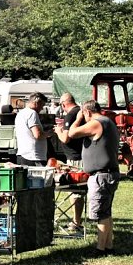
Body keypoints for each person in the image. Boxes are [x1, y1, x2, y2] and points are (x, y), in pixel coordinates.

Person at [67, 99, 120, 257]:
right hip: (108, 173)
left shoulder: (97, 123)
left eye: (84, 114)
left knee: (101, 214)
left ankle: (100, 249)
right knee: (106, 212)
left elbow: (71, 133)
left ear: (87, 112)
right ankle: (109, 246)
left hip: (101, 176)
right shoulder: (108, 122)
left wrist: (77, 119)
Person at [54, 92, 85, 232]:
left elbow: (65, 138)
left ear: (63, 104)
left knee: (75, 191)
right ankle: (76, 220)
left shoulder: (71, 114)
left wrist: (58, 131)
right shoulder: (80, 112)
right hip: (80, 155)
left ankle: (76, 221)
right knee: (77, 191)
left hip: (75, 158)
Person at [15, 92, 52, 166]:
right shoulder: (32, 113)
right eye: (42, 105)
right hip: (33, 156)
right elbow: (38, 135)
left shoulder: (20, 114)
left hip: (23, 154)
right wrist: (50, 133)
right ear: (36, 103)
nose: (42, 108)